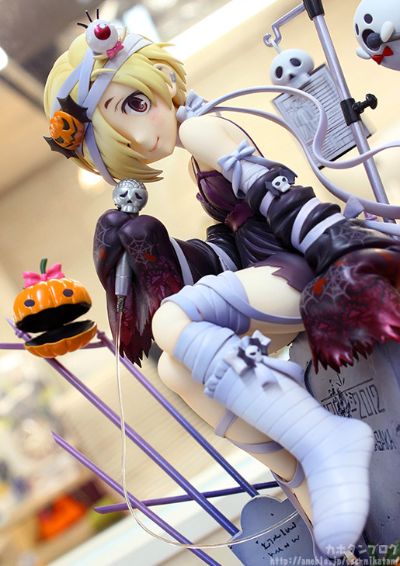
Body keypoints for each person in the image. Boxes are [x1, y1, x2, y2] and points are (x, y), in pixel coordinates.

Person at [44, 19, 400, 555]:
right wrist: (164, 254)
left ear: (159, 79)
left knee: (172, 321)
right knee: (175, 369)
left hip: (294, 271)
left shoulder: (201, 130)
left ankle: (323, 442)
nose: (140, 137)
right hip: (269, 266)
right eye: (121, 131)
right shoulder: (196, 143)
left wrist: (339, 251)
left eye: (137, 105)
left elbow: (280, 195)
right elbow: (234, 242)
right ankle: (306, 484)